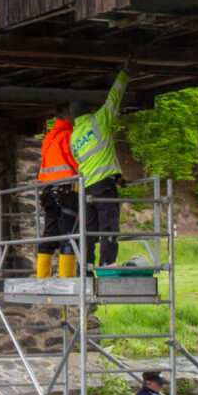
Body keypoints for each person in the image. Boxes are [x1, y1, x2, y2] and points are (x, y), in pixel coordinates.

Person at [71, 69, 130, 268]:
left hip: (87, 188)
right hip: (104, 185)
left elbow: (88, 159)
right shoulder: (99, 120)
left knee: (89, 231)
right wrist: (124, 74)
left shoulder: (74, 138)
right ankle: (107, 264)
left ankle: (85, 269)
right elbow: (115, 96)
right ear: (89, 110)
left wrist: (117, 174)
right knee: (109, 227)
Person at [37, 106, 79, 261]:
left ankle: (42, 278)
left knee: (49, 235)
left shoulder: (49, 137)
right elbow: (76, 162)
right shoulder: (69, 135)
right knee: (69, 235)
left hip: (48, 190)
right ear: (68, 114)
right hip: (67, 189)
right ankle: (68, 281)